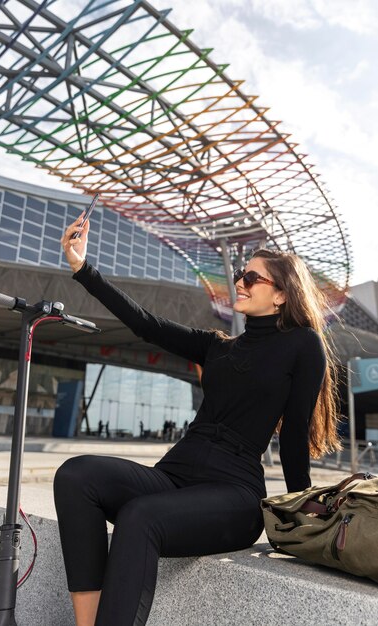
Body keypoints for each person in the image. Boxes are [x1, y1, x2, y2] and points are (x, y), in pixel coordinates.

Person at [54, 214, 341, 626]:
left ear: (281, 295)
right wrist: (83, 269)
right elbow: (145, 324)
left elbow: (295, 433)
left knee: (141, 516)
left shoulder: (302, 345)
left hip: (235, 496)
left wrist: (299, 508)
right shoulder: (215, 347)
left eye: (252, 278)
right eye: (240, 275)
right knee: (75, 475)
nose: (240, 282)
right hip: (173, 477)